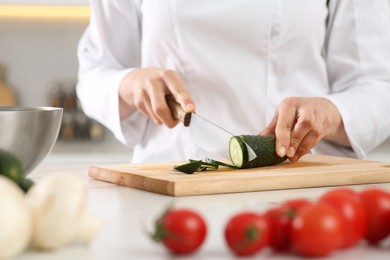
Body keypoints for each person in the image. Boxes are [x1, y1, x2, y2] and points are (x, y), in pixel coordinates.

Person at [77, 0, 390, 163]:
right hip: (169, 184)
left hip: (295, 186)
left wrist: (330, 113)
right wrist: (131, 84)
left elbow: (378, 85)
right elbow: (94, 74)